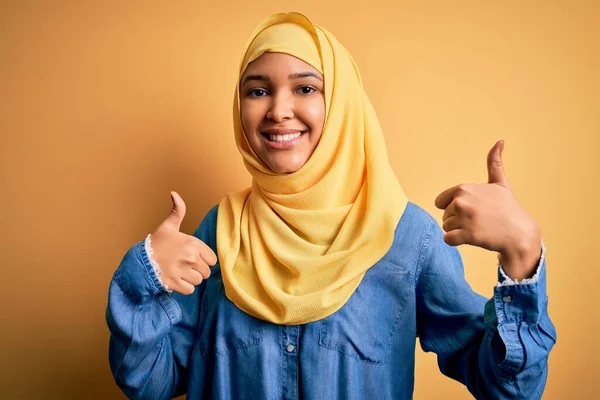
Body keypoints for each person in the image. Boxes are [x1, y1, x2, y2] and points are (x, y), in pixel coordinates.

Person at [106, 11, 556, 400]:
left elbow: (508, 390)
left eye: (305, 89)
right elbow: (151, 383)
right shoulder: (220, 231)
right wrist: (141, 277)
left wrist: (521, 255)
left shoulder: (405, 238)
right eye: (258, 90)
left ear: (341, 104)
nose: (279, 110)